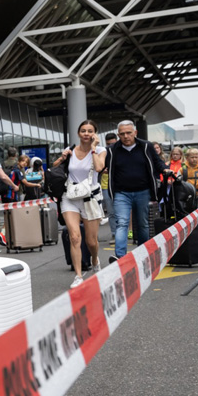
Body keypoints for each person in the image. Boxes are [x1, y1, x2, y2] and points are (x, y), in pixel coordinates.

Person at [105, 120, 171, 263]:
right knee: (122, 223)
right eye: (122, 134)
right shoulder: (112, 150)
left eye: (129, 133)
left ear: (135, 133)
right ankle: (120, 257)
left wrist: (165, 169)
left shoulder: (146, 146)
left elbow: (157, 162)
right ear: (118, 135)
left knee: (142, 224)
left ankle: (142, 254)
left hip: (143, 191)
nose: (126, 136)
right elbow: (104, 166)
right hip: (121, 193)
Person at [52, 121, 106, 287]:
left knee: (91, 242)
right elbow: (55, 168)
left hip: (90, 198)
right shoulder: (71, 150)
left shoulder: (101, 150)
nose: (86, 134)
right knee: (74, 237)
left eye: (90, 131)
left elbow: (99, 168)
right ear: (78, 133)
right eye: (83, 131)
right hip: (70, 196)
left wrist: (94, 148)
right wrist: (63, 157)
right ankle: (78, 276)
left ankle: (95, 261)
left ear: (95, 134)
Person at [100, 132, 118, 242]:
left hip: (119, 184)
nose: (110, 146)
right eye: (108, 144)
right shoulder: (103, 153)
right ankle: (114, 234)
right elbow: (98, 167)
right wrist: (102, 170)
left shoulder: (120, 152)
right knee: (111, 211)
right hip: (106, 185)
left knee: (121, 211)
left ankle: (122, 233)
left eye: (112, 143)